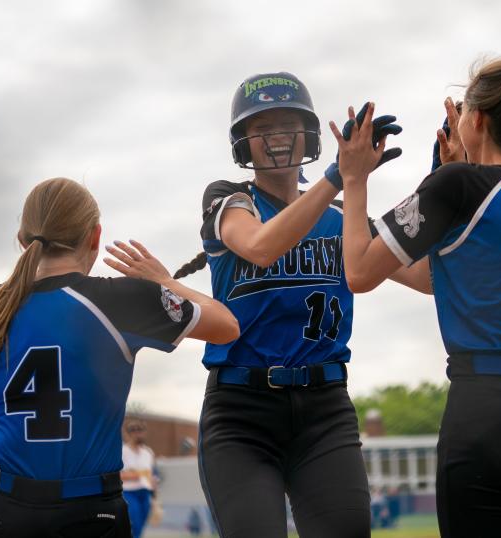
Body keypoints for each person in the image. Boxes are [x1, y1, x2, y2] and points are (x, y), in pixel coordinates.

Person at [335, 59, 501, 537]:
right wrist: (461, 171)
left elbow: (359, 272)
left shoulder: (459, 186)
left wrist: (354, 179)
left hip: (489, 407)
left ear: (480, 120)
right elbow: (439, 276)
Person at [165, 72, 420, 538]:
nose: (276, 137)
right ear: (244, 141)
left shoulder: (345, 216)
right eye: (262, 128)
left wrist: (453, 187)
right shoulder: (229, 198)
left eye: (287, 124)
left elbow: (426, 279)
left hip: (324, 409)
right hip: (242, 412)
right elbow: (261, 246)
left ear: (309, 135)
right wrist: (337, 177)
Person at [0, 177, 238, 537]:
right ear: (95, 236)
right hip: (86, 513)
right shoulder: (120, 300)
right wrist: (163, 281)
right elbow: (228, 325)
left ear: (22, 240)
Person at [121, 420, 155, 538]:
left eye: (140, 429)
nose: (137, 433)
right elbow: (118, 475)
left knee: (142, 525)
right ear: (128, 433)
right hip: (128, 492)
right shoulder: (122, 451)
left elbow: (149, 474)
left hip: (145, 492)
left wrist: (154, 491)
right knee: (134, 523)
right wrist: (137, 474)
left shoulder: (148, 452)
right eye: (133, 430)